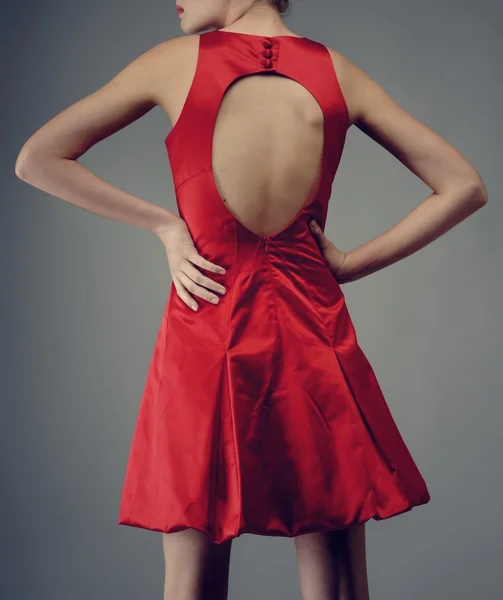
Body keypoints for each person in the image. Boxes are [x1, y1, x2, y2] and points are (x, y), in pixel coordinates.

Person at [15, 1, 488, 599]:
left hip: (205, 334)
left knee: (192, 583)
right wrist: (347, 264)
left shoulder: (173, 62)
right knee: (338, 582)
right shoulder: (339, 72)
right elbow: (465, 185)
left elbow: (37, 158)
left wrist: (166, 226)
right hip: (313, 335)